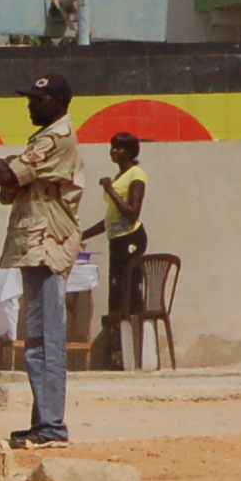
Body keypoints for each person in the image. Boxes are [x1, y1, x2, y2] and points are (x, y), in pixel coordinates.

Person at [0, 73, 85, 446]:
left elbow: (8, 175)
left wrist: (1, 162)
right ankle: (42, 423)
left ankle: (51, 427)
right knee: (38, 339)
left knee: (46, 341)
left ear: (58, 102)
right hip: (36, 245)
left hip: (47, 245)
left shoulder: (56, 137)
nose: (31, 104)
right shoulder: (46, 137)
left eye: (38, 99)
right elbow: (12, 186)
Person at [94, 132, 149, 366]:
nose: (114, 152)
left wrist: (110, 190)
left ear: (130, 152)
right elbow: (111, 218)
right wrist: (81, 235)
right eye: (112, 147)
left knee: (130, 294)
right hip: (116, 239)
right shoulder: (120, 176)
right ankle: (118, 353)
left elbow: (132, 212)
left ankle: (136, 354)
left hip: (130, 239)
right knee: (116, 293)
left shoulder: (136, 177)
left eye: (119, 148)